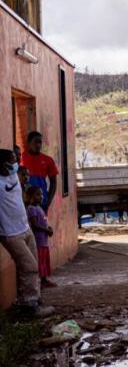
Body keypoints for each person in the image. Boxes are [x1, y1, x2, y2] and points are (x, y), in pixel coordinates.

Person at [0, 149, 52, 316]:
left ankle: (33, 299)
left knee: (32, 266)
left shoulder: (14, 176)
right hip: (10, 233)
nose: (16, 164)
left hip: (25, 228)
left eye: (16, 160)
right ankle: (30, 308)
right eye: (12, 161)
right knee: (29, 267)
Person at [26, 186, 56, 288]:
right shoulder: (31, 209)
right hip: (38, 240)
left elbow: (43, 223)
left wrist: (49, 228)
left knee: (44, 261)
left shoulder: (39, 208)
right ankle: (40, 281)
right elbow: (34, 224)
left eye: (41, 194)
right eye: (38, 194)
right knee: (40, 261)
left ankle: (44, 280)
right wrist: (46, 230)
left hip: (44, 240)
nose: (41, 197)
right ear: (30, 196)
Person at [21, 131, 58, 213]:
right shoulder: (21, 158)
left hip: (41, 201)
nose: (38, 145)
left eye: (40, 142)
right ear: (28, 143)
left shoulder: (48, 160)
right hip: (24, 201)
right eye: (35, 142)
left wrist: (48, 201)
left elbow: (54, 183)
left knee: (40, 223)